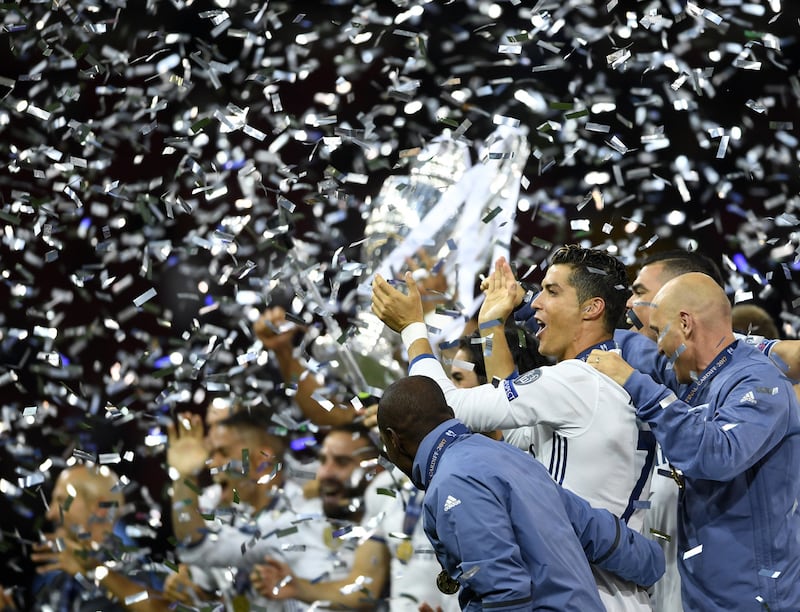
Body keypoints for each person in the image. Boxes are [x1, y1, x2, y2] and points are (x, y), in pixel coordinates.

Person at [373, 245, 656, 612]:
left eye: (552, 291)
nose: (535, 302)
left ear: (592, 308)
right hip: (615, 587)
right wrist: (492, 324)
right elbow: (513, 433)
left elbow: (446, 408)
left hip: (575, 591)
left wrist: (412, 329)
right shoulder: (612, 380)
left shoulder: (577, 380)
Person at [588, 272, 800, 611]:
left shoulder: (759, 382)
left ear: (685, 324)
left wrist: (636, 384)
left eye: (659, 331)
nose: (658, 346)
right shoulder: (695, 376)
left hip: (753, 601)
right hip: (702, 596)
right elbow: (635, 349)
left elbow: (717, 455)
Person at [376, 375, 665, 611]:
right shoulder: (506, 455)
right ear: (450, 415)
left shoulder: (452, 482)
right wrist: (653, 566)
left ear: (393, 439)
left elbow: (504, 594)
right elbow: (594, 529)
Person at [166, 405, 335, 610]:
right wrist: (191, 589)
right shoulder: (223, 509)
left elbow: (200, 548)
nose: (211, 464)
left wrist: (185, 477)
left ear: (261, 461)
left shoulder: (300, 519)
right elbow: (205, 580)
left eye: (223, 453)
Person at [249, 424, 392, 610]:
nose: (325, 473)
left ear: (377, 470)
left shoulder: (394, 513)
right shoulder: (307, 518)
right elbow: (232, 545)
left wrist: (299, 588)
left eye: (342, 462)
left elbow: (363, 593)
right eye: (323, 461)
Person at [28, 462, 170, 612]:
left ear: (101, 507)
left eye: (61, 500)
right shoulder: (62, 569)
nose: (50, 514)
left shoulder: (129, 573)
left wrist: (97, 570)